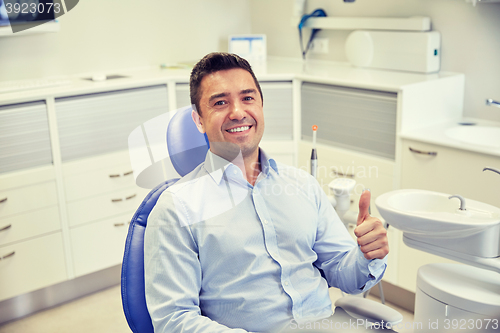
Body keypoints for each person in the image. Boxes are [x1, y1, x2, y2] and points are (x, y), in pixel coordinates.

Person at [144, 52, 389, 333]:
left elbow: (340, 269)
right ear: (198, 120)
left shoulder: (302, 184)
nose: (237, 112)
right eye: (220, 102)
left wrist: (366, 255)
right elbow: (173, 320)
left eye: (247, 98)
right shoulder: (176, 208)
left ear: (261, 106)